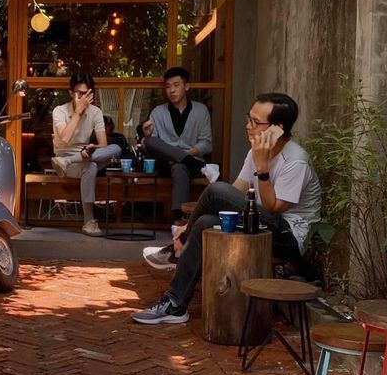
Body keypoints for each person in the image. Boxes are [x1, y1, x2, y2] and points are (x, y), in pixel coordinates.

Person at [133, 93, 321, 325]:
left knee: (216, 190)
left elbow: (274, 209)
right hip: (258, 222)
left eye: (255, 122)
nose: (248, 126)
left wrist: (262, 169)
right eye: (248, 119)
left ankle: (177, 246)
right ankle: (175, 304)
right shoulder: (255, 152)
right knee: (203, 223)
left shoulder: (295, 160)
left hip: (289, 235)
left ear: (278, 128)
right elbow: (235, 193)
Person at [138, 67, 213, 223]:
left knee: (179, 167)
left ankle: (178, 218)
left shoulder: (200, 110)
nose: (171, 90)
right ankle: (191, 163)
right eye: (168, 86)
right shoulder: (158, 112)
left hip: (188, 165)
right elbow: (152, 146)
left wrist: (185, 155)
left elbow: (207, 143)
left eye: (176, 85)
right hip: (167, 164)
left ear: (186, 87)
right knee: (148, 140)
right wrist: (147, 134)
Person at [52, 72, 121, 236]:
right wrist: (78, 112)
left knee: (116, 148)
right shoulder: (59, 111)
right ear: (71, 93)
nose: (83, 97)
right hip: (65, 155)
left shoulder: (96, 112)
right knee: (90, 167)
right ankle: (89, 221)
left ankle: (68, 161)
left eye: (87, 93)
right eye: (79, 93)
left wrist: (92, 147)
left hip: (84, 155)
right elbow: (66, 138)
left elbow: (103, 144)